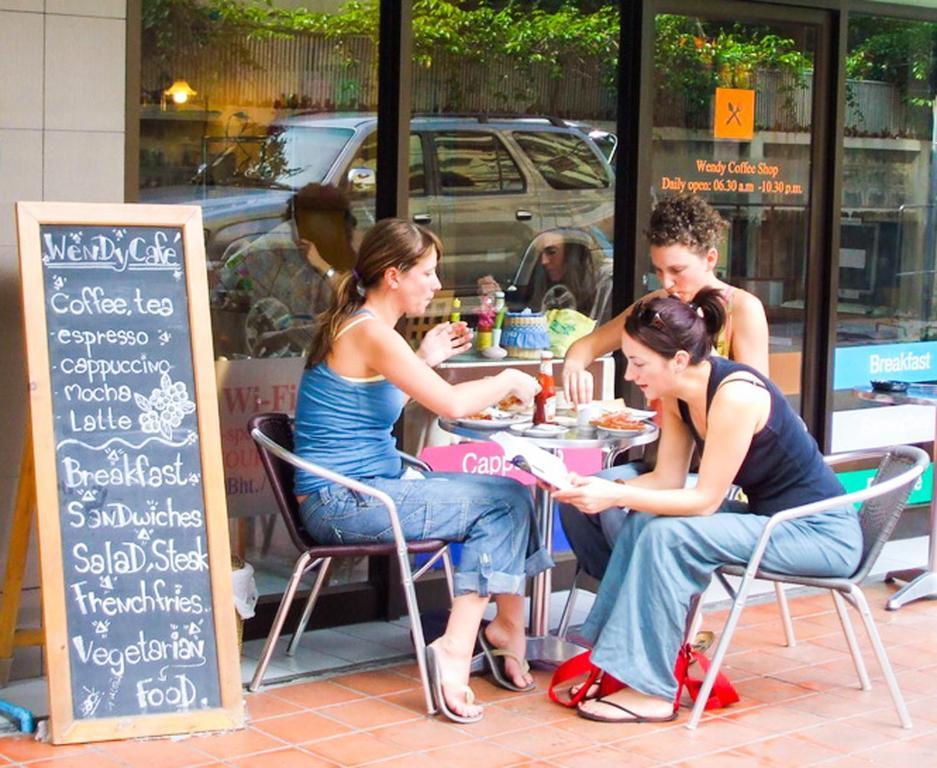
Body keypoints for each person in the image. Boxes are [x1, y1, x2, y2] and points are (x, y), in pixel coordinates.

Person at [552, 287, 860, 723]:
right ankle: (615, 660)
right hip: (770, 521)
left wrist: (616, 494)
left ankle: (654, 692)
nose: (629, 376)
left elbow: (704, 500)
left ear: (678, 360)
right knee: (646, 520)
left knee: (668, 535)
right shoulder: (677, 394)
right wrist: (594, 488)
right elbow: (666, 480)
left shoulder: (735, 395)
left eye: (638, 363)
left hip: (820, 532)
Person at [292, 218, 553, 723]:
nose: (436, 284)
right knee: (498, 506)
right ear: (393, 276)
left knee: (514, 492)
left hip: (368, 490)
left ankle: (507, 629)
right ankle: (457, 647)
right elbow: (452, 404)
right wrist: (507, 378)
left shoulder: (367, 327)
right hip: (344, 504)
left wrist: (425, 357)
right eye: (428, 273)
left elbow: (376, 400)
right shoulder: (370, 332)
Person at [559, 193, 770, 579]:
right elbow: (590, 343)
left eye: (677, 270)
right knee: (576, 501)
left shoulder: (742, 309)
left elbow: (758, 402)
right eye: (659, 271)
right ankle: (622, 595)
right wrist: (574, 363)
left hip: (715, 474)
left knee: (625, 511)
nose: (668, 283)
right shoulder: (658, 304)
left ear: (710, 259)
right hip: (665, 462)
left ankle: (644, 611)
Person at [477, 228, 612, 322]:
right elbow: (529, 322)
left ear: (573, 253)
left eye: (551, 252)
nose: (543, 261)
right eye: (540, 253)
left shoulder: (605, 283)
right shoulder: (541, 281)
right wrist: (497, 301)